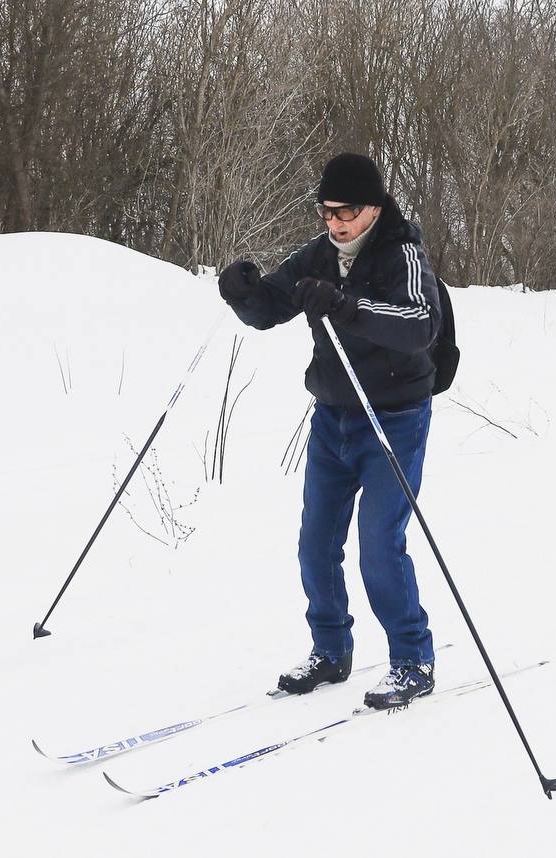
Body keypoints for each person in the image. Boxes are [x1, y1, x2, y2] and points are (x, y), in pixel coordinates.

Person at [217, 152, 442, 710]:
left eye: (347, 211)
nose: (336, 223)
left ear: (374, 206)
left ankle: (413, 659)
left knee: (379, 548)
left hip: (393, 419)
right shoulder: (319, 255)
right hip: (333, 419)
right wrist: (243, 292)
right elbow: (270, 307)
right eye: (326, 212)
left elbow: (419, 326)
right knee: (315, 545)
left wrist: (347, 305)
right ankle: (331, 650)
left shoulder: (402, 255)